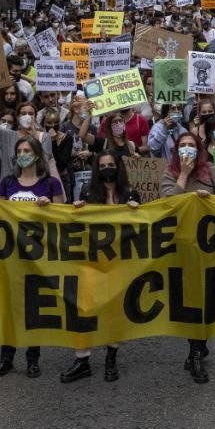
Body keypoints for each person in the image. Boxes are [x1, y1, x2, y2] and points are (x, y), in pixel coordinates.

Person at [0, 137, 65, 378]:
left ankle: (33, 358)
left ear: (38, 155)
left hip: (38, 257)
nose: (23, 154)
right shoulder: (7, 182)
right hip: (11, 257)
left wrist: (49, 206)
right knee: (10, 308)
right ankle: (6, 358)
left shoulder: (51, 183)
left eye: (27, 150)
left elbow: (64, 216)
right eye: (19, 150)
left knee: (33, 309)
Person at [63, 151, 141, 383]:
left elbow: (144, 227)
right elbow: (77, 224)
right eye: (103, 165)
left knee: (114, 311)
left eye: (111, 164)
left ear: (118, 166)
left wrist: (138, 210)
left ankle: (111, 357)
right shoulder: (88, 192)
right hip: (91, 261)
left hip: (119, 263)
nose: (107, 168)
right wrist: (76, 209)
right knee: (83, 308)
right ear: (98, 168)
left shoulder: (129, 193)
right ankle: (82, 359)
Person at [160, 132, 215, 383]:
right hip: (182, 246)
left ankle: (198, 347)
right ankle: (196, 349)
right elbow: (169, 203)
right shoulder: (170, 172)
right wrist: (184, 175)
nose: (187, 150)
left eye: (191, 146)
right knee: (188, 299)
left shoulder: (212, 172)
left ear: (200, 150)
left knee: (207, 298)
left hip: (209, 245)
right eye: (182, 146)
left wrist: (210, 202)